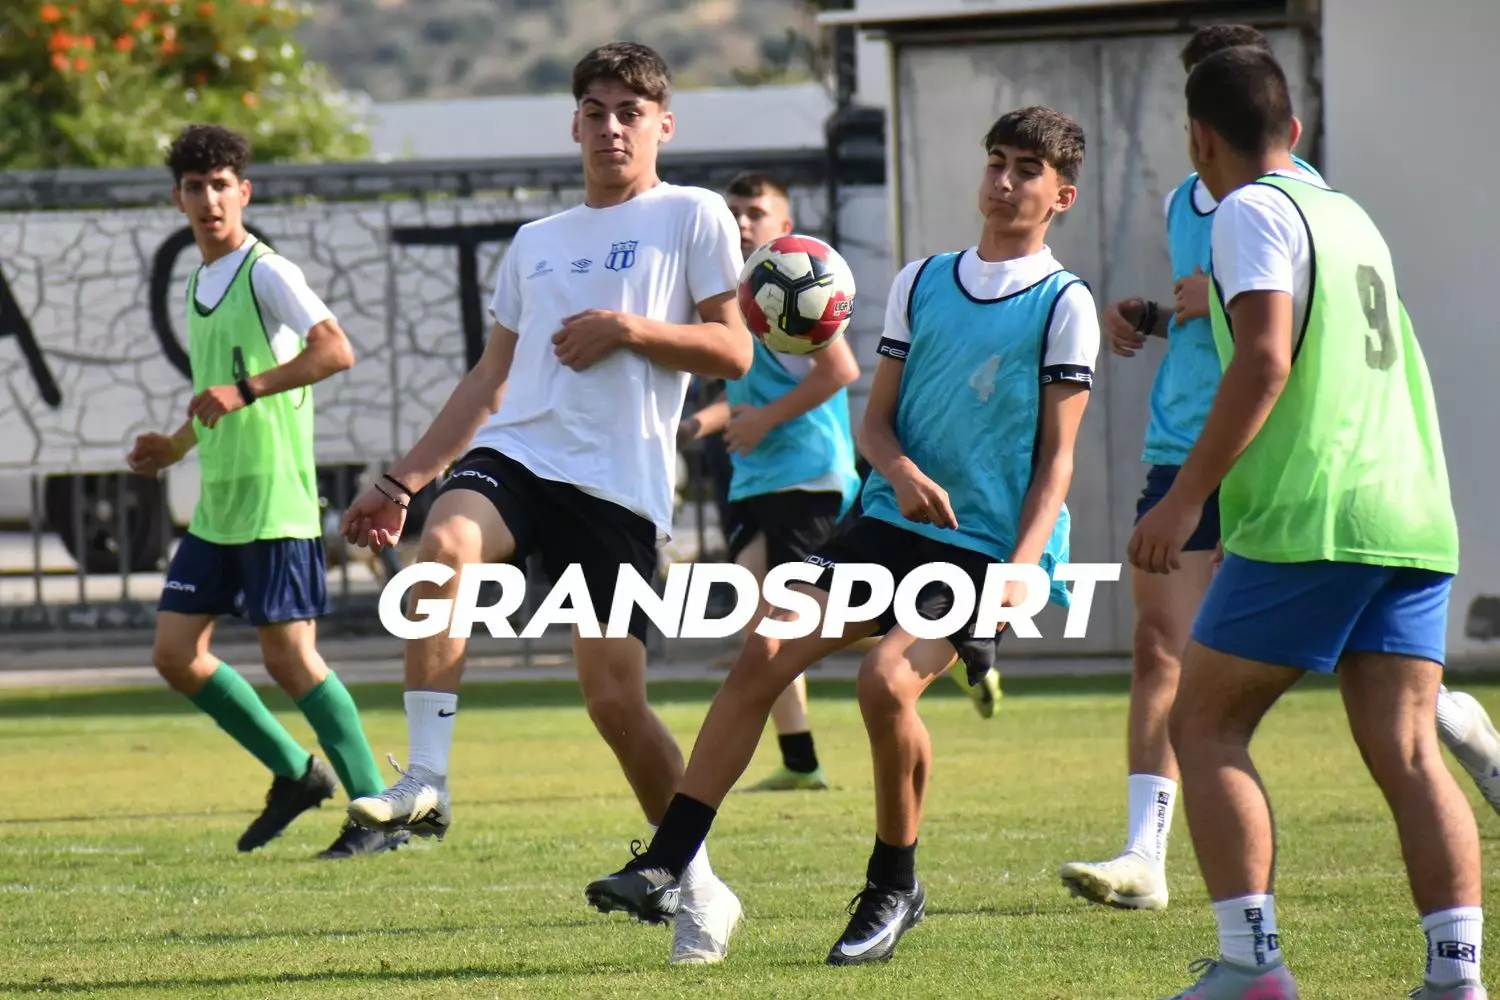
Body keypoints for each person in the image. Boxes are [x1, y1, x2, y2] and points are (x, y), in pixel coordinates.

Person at [585, 106, 1100, 967]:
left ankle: (893, 886)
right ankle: (668, 860)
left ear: (1062, 197)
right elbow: (876, 425)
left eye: (1026, 169)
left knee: (885, 682)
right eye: (996, 160)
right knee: (764, 648)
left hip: (989, 548)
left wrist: (1021, 567)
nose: (1004, 180)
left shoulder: (1064, 303)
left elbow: (1058, 459)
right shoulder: (921, 280)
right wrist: (899, 472)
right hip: (889, 522)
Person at [1060, 25, 1500, 914]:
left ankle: (1250, 962)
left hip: (1305, 498)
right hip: (1396, 503)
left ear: (1199, 134)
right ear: (1290, 126)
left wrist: (1189, 498)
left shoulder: (1254, 210)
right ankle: (1455, 972)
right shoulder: (1343, 212)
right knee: (1404, 748)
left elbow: (1266, 357)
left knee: (1206, 720)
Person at [337, 42, 752, 965]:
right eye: (595, 111)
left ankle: (701, 886)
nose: (611, 127)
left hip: (620, 489)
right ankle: (427, 775)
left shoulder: (693, 214)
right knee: (445, 544)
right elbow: (491, 377)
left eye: (630, 112)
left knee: (615, 704)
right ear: (574, 124)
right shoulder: (537, 241)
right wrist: (401, 482)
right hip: (519, 455)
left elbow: (734, 351)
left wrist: (627, 329)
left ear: (663, 126)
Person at [1057, 23, 1325, 913]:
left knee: (1354, 656)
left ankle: (1454, 722)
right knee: (1159, 647)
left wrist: (1215, 297)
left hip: (1273, 450)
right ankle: (1145, 856)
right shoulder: (1184, 200)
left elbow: (1283, 330)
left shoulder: (1301, 198)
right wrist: (1149, 314)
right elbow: (1208, 320)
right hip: (1181, 442)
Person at [126, 124, 403, 861]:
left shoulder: (266, 272)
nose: (209, 199)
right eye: (195, 187)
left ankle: (378, 814)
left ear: (243, 192)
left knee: (291, 660)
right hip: (219, 507)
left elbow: (335, 350)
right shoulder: (197, 281)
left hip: (277, 500)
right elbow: (215, 396)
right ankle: (296, 774)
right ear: (179, 199)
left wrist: (246, 389)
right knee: (175, 654)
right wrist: (174, 446)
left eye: (221, 185)